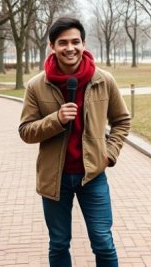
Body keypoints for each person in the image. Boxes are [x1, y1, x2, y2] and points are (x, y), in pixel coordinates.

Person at [19, 17, 131, 266]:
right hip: (54, 178)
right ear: (52, 46)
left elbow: (122, 121)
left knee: (103, 241)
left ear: (84, 43)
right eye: (63, 43)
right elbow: (26, 131)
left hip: (92, 176)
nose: (70, 48)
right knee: (59, 242)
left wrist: (108, 154)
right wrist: (56, 119)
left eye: (75, 42)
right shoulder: (37, 85)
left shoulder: (104, 80)